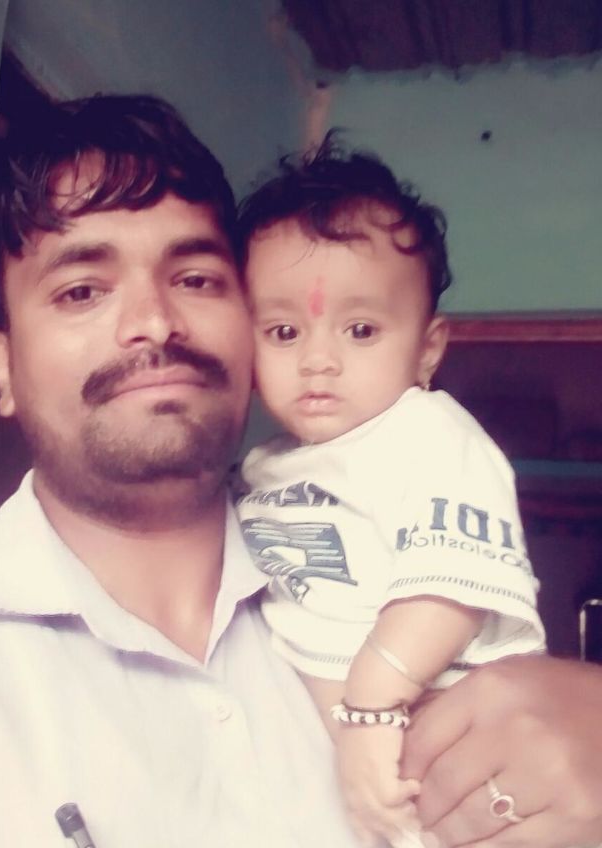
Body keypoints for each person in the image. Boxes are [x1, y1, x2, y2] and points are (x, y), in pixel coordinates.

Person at [0, 93, 601, 848]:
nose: (155, 322)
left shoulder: (353, 529)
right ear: (2, 367)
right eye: (81, 291)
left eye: (196, 279)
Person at [234, 140, 542, 845]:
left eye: (361, 329)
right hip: (351, 758)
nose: (317, 360)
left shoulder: (429, 436)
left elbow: (447, 591)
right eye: (283, 331)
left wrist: (371, 710)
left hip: (439, 730)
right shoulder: (266, 468)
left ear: (427, 349)